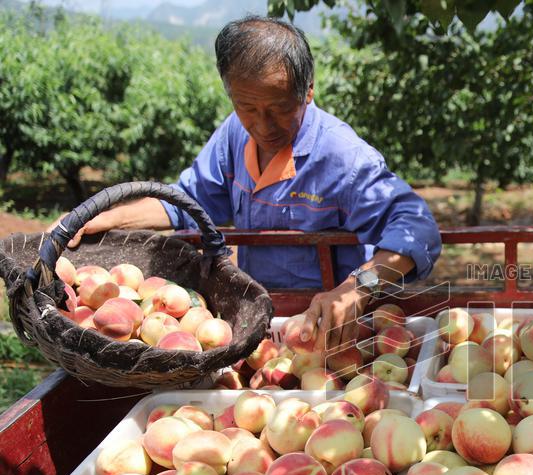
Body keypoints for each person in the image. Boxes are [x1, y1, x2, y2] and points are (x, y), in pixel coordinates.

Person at [49, 16, 441, 355]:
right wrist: (103, 218)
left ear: (308, 90)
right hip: (257, 320)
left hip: (329, 330)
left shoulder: (342, 157)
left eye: (281, 108)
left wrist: (358, 288)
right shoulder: (234, 136)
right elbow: (188, 201)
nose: (263, 126)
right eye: (247, 107)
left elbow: (416, 228)